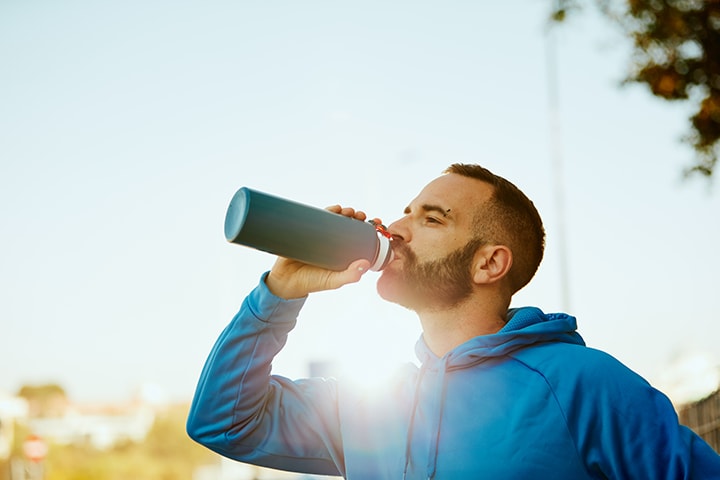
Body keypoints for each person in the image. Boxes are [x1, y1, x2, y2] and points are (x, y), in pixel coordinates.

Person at [187, 164, 720, 479]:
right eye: (406, 211)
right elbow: (222, 422)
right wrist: (280, 293)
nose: (395, 229)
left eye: (431, 218)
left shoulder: (583, 383)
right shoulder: (364, 406)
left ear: (490, 262)